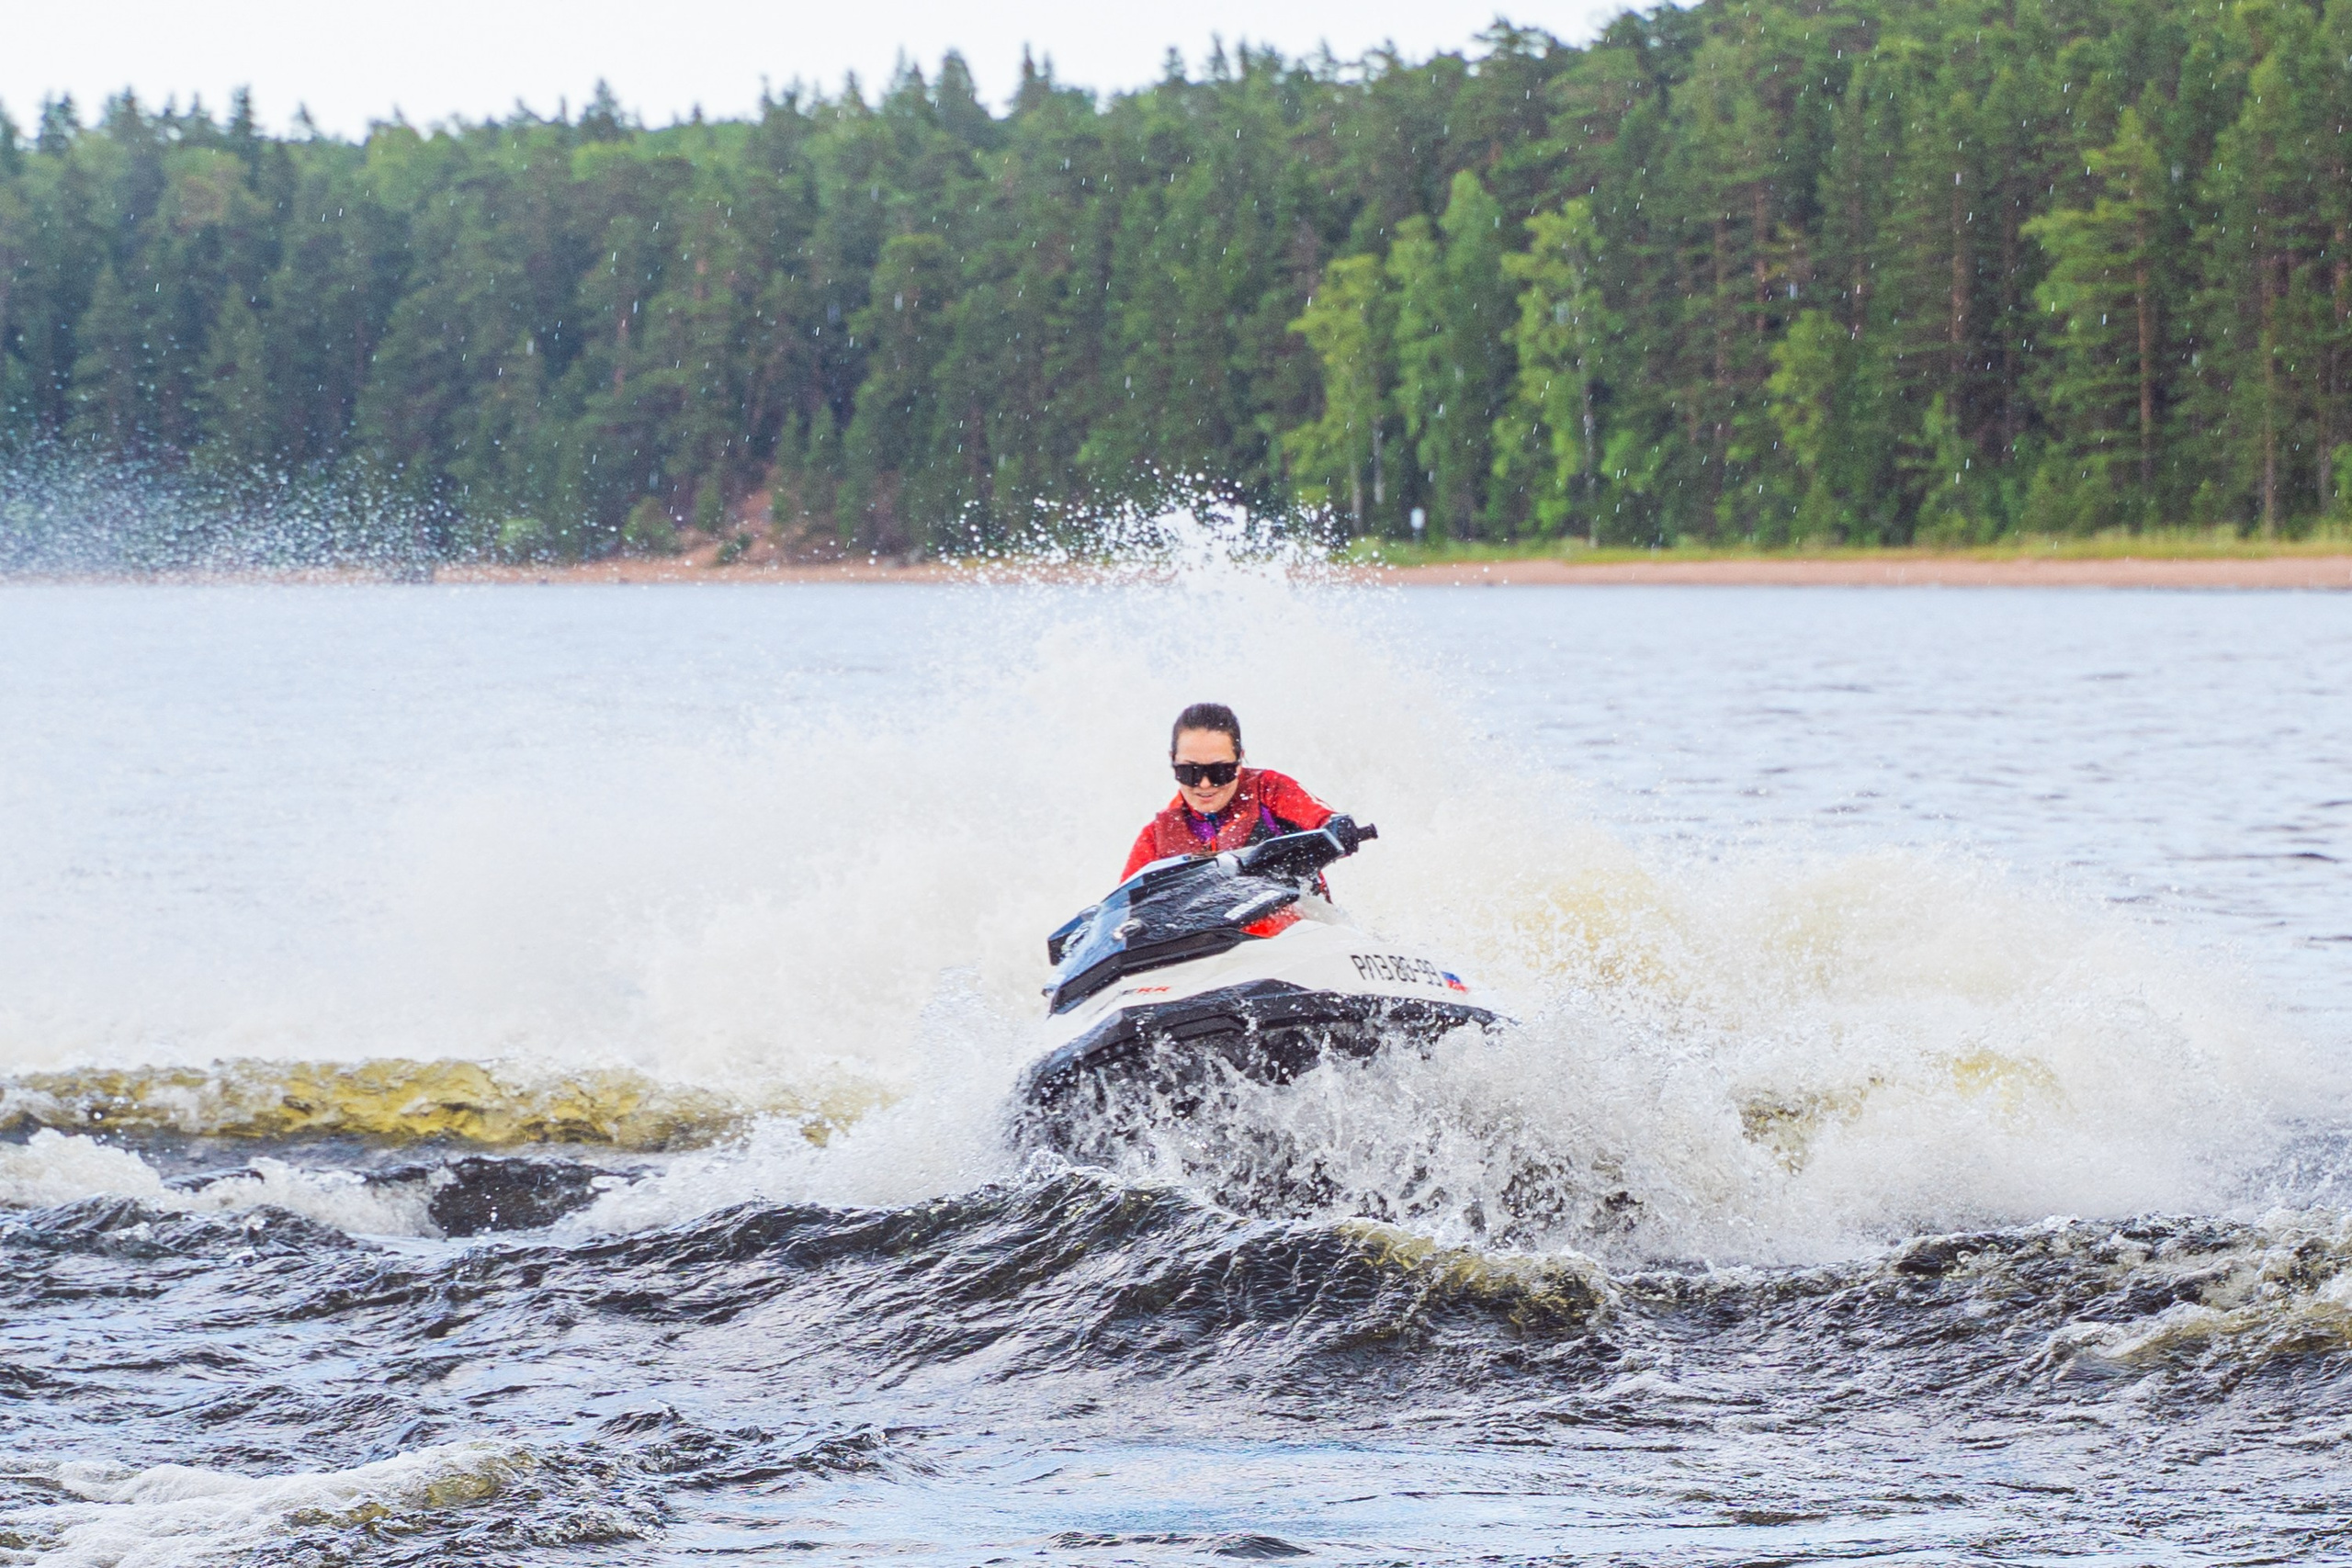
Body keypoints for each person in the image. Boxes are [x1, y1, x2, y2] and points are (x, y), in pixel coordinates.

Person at [1122, 702, 1336, 880]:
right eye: (1190, 772)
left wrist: (1338, 827)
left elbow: (1324, 819)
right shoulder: (1157, 837)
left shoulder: (1269, 790)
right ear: (1173, 761)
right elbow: (1121, 911)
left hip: (1301, 923)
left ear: (1239, 761)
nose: (1204, 784)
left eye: (1219, 771)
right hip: (1209, 930)